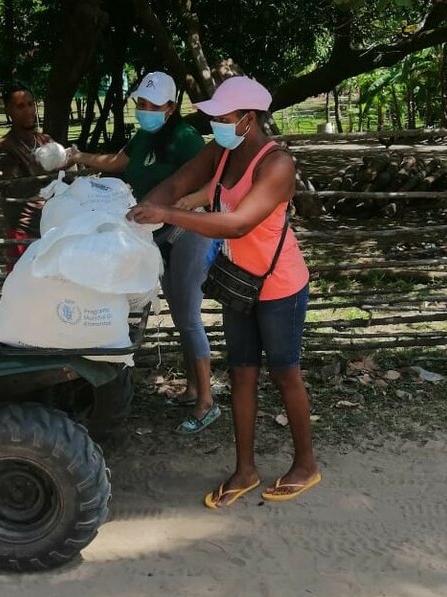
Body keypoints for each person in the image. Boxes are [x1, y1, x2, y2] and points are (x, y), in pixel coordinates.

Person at [126, 76, 320, 507]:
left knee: (284, 372)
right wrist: (136, 214)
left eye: (224, 117)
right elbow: (177, 182)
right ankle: (244, 469)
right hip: (238, 279)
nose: (216, 124)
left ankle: (305, 463)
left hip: (279, 285)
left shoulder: (278, 165)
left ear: (248, 120)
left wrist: (168, 213)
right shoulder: (223, 151)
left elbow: (238, 223)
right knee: (241, 372)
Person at [71, 71, 218, 435]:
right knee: (181, 312)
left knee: (188, 316)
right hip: (157, 234)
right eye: (140, 103)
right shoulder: (143, 136)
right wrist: (77, 157)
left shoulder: (185, 138)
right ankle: (192, 389)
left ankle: (207, 402)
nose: (144, 110)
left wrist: (187, 204)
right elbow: (118, 163)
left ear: (170, 107)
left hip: (188, 231)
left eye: (152, 105)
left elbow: (210, 177)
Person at [0, 82, 55, 269]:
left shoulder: (46, 141)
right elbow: (15, 188)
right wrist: (46, 168)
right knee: (23, 286)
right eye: (20, 106)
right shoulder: (5, 147)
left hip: (50, 226)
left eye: (30, 104)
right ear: (8, 111)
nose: (28, 111)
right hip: (23, 231)